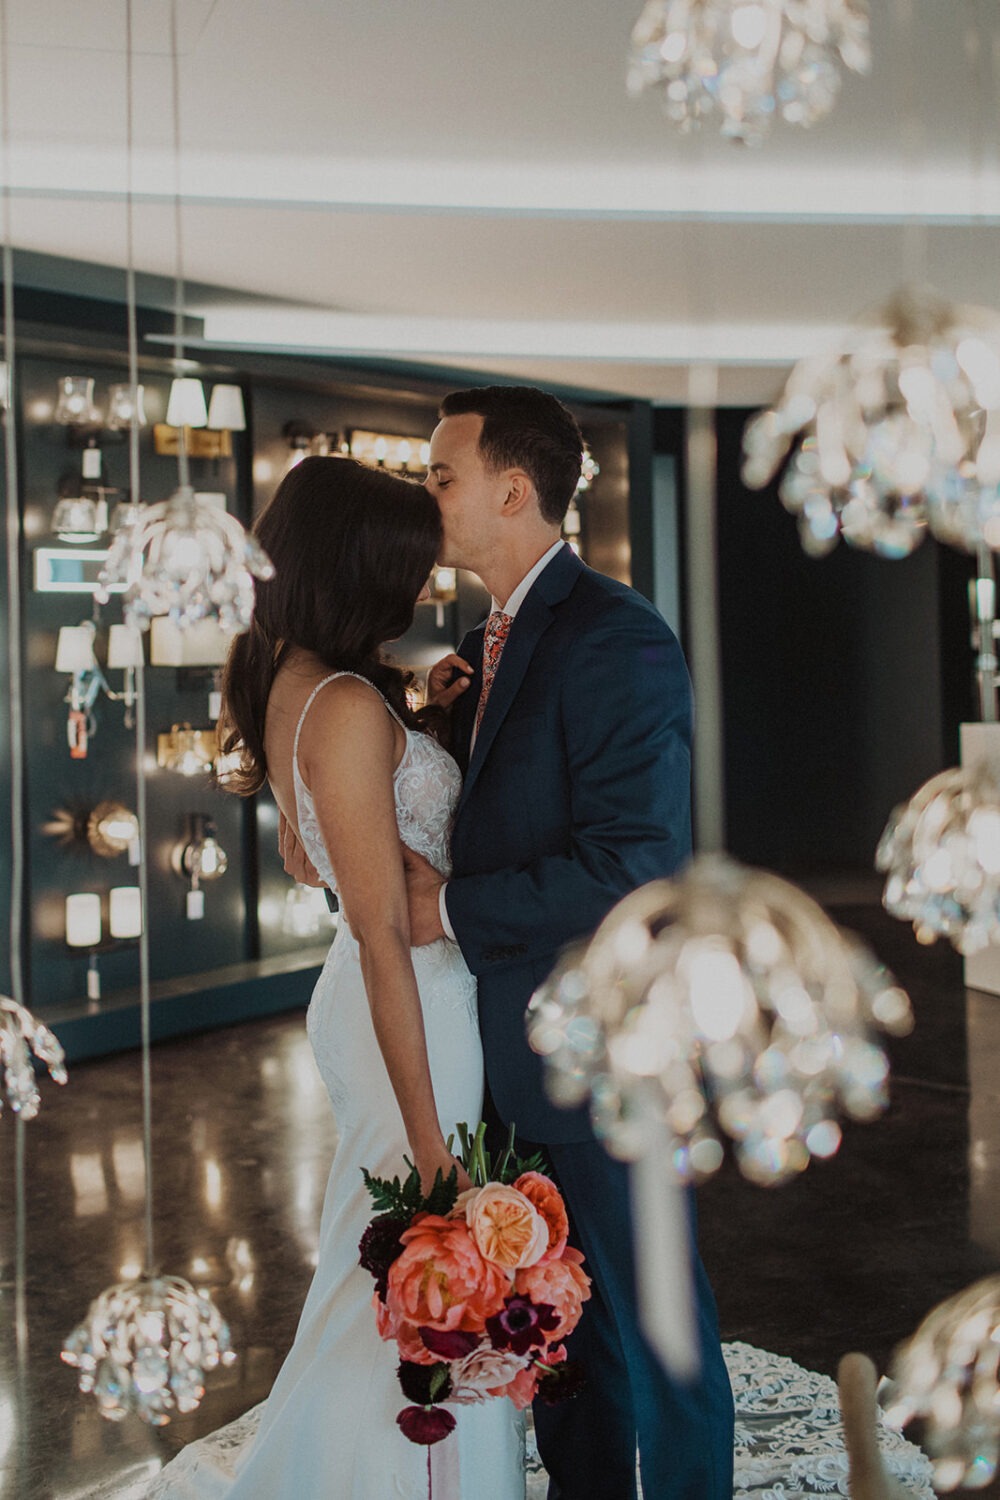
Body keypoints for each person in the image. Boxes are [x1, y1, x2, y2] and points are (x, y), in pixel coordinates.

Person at [144, 455, 524, 1500]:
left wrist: (427, 719)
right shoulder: (351, 703)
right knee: (414, 1251)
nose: (419, 587)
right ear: (359, 569)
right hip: (409, 1008)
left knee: (375, 1264)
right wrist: (432, 1141)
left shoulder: (294, 679)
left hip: (388, 1000)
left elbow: (318, 851)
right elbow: (377, 933)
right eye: (404, 566)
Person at [400, 385, 735, 1499]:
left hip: (603, 1048)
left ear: (512, 488)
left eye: (442, 476)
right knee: (559, 1323)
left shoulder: (616, 634)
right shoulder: (482, 643)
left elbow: (631, 863)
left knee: (658, 1325)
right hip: (506, 1049)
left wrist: (442, 911)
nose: (427, 495)